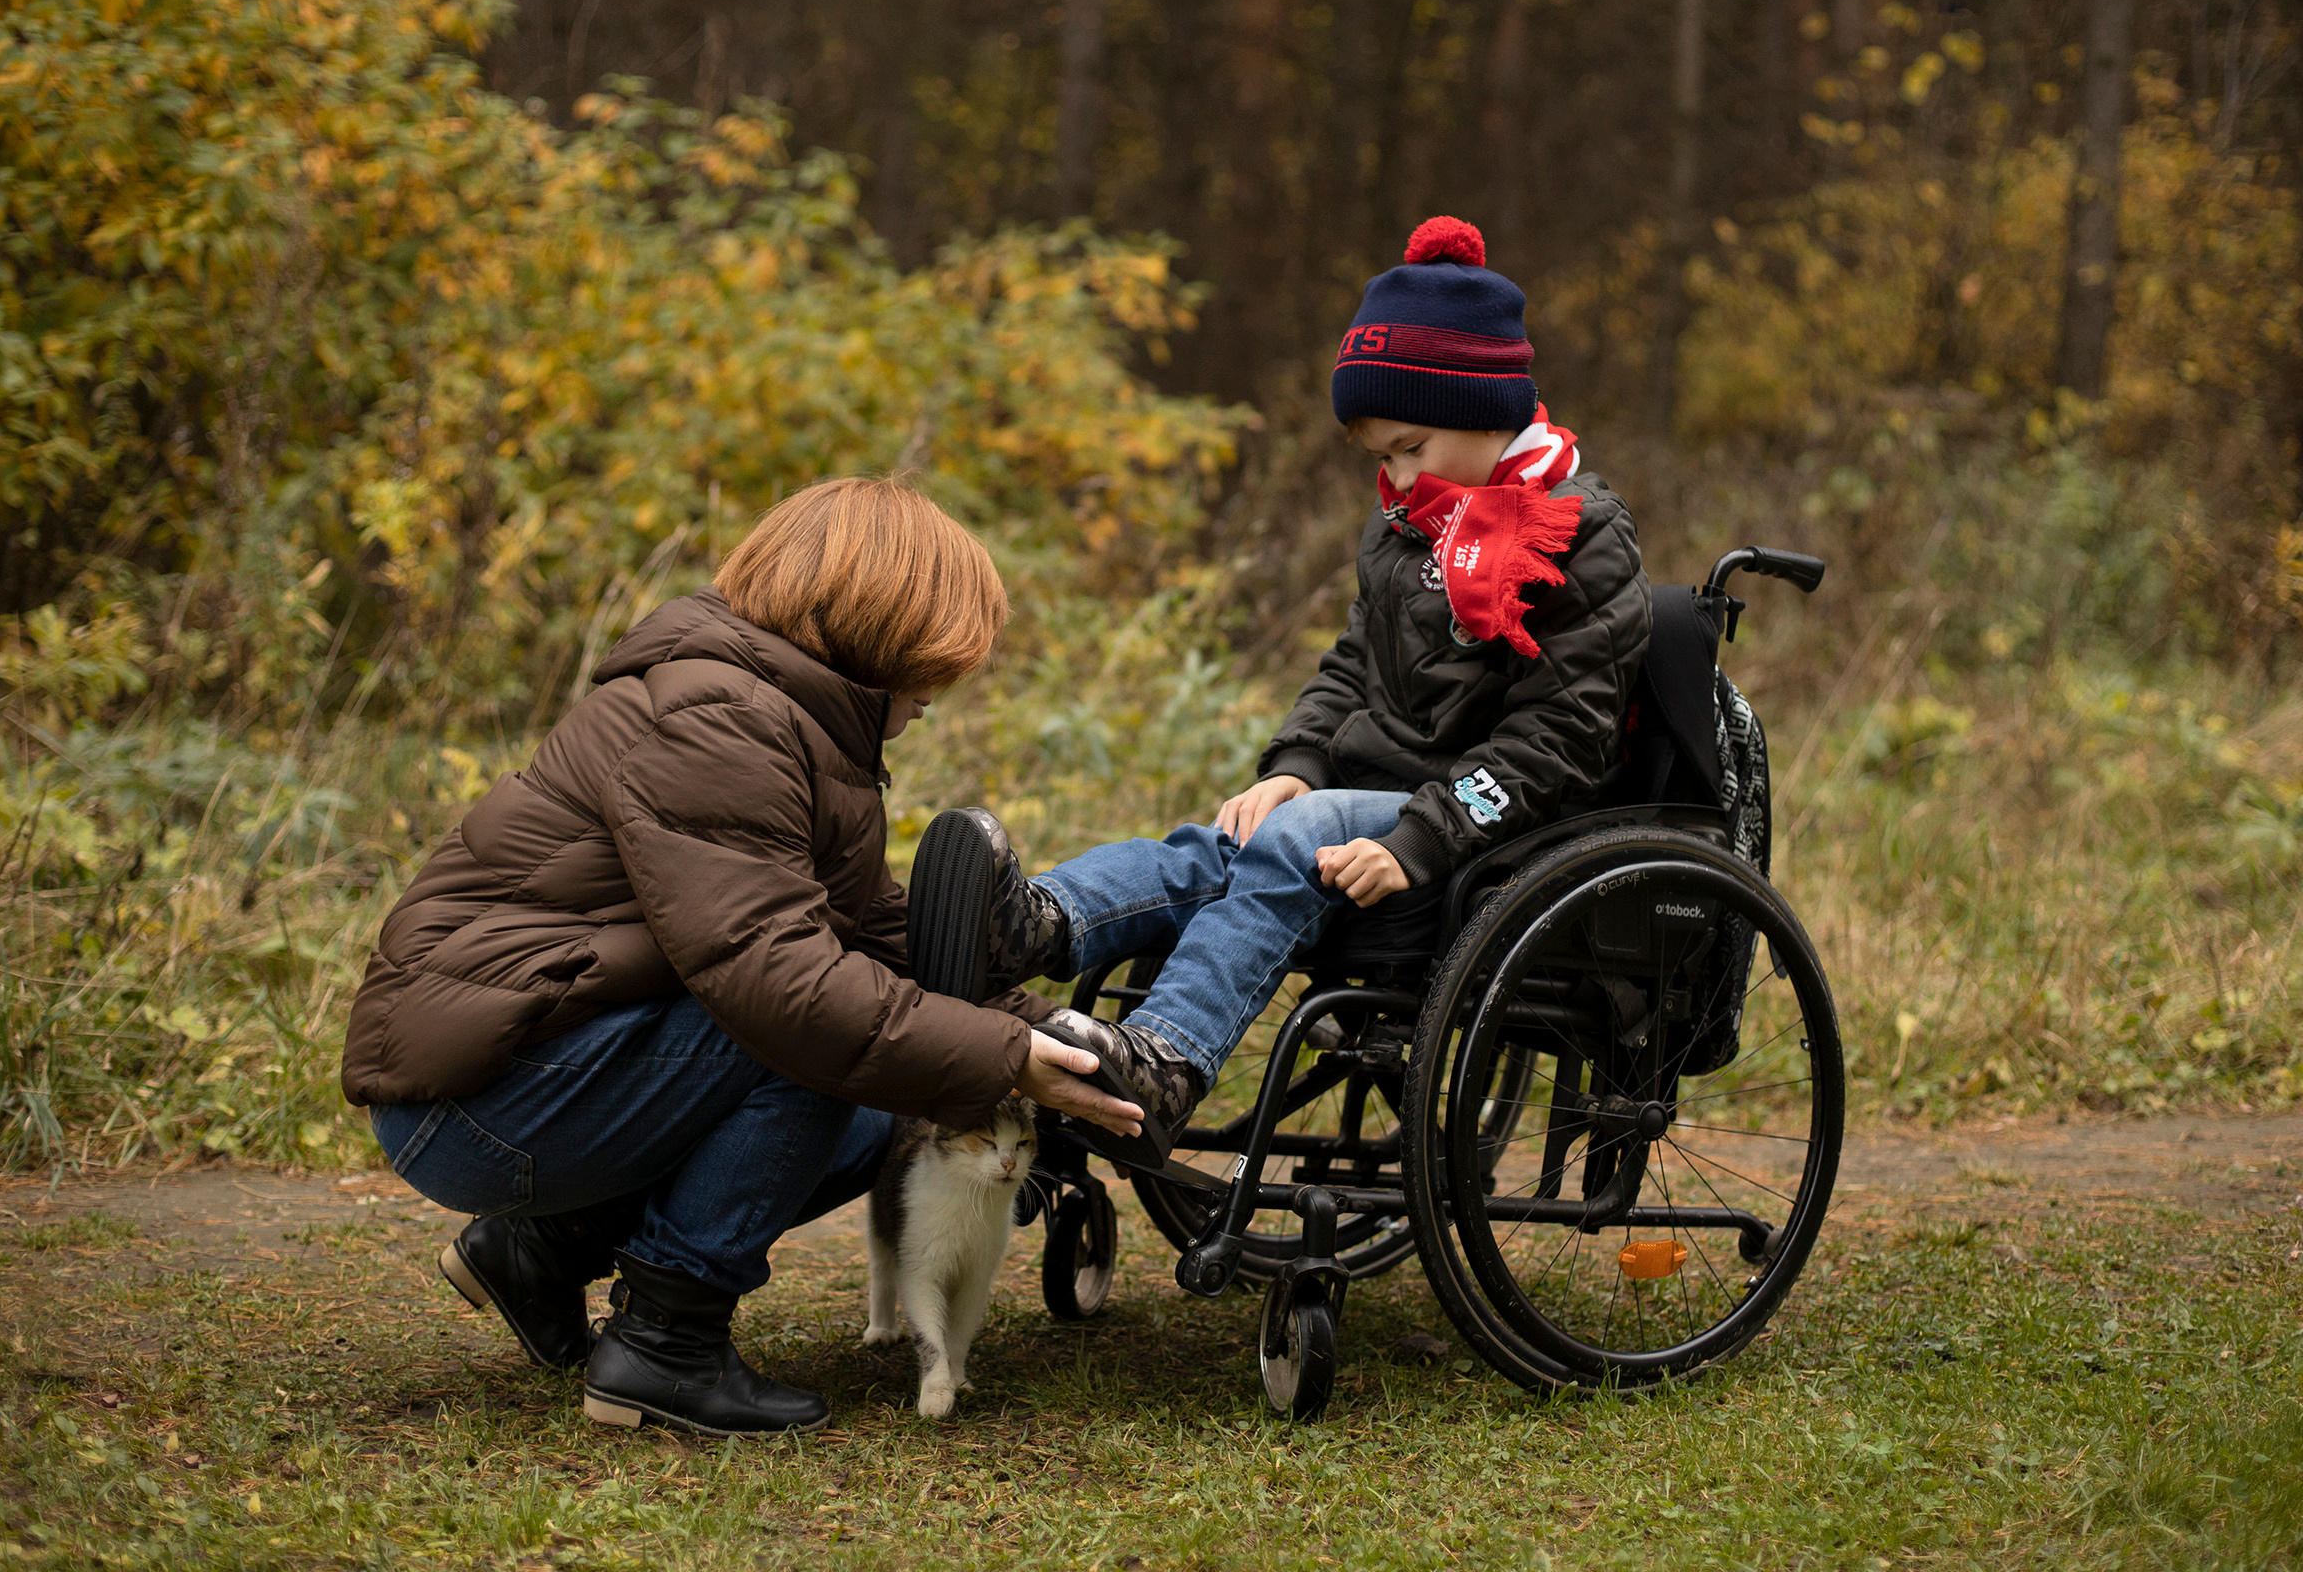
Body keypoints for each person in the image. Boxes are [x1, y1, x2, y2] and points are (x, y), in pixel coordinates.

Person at [342, 476, 1143, 1439]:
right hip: (479, 1099)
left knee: (865, 1109)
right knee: (815, 1040)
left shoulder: (783, 712)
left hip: (527, 1063)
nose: (931, 699)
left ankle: (541, 1255)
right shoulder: (721, 718)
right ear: (876, 627)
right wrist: (1002, 1059)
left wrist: (1034, 1028)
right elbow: (786, 982)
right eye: (931, 668)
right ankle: (665, 1350)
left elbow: (862, 926)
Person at [906, 216, 1652, 1168]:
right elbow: (1350, 667)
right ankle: (1026, 922)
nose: (1395, 476)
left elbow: (1564, 737)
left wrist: (1426, 833)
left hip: (1490, 829)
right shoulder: (1408, 525)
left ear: (1485, 410)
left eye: (1411, 446)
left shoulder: (1577, 531)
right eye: (1381, 455)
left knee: (1296, 844)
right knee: (1229, 843)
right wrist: (1296, 764)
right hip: (1364, 802)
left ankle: (1168, 1060)